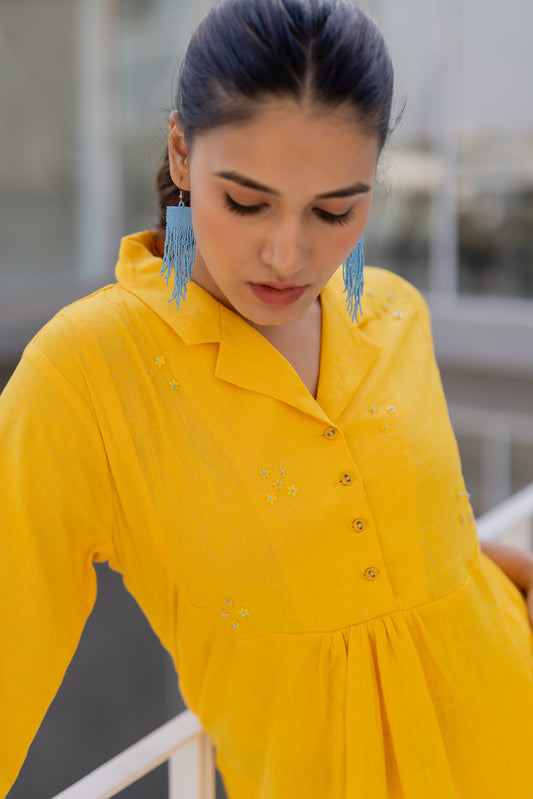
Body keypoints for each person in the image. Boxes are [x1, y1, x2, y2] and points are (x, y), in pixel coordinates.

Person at [1, 0, 533, 796]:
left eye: (334, 209)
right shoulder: (87, 374)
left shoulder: (394, 312)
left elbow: (390, 548)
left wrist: (494, 566)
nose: (289, 254)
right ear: (181, 152)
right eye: (247, 202)